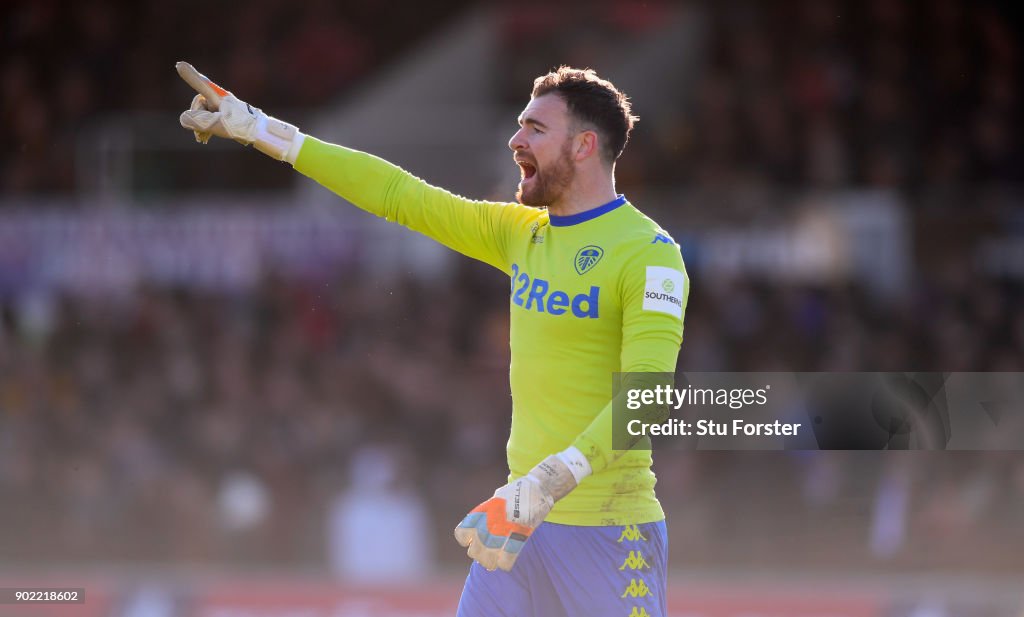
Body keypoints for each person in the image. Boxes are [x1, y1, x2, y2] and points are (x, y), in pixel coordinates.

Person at [178, 61, 688, 617]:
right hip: (521, 518)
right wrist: (262, 131)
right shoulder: (521, 235)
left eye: (535, 129)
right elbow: (399, 194)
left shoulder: (648, 254)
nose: (515, 139)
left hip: (608, 530)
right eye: (519, 125)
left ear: (585, 145)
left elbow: (650, 394)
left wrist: (552, 479)